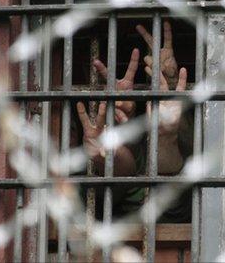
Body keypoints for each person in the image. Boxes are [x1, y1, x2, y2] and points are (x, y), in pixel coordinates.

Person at [76, 21, 193, 221]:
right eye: (102, 84)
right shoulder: (81, 134)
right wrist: (102, 155)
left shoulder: (167, 120)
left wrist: (166, 129)